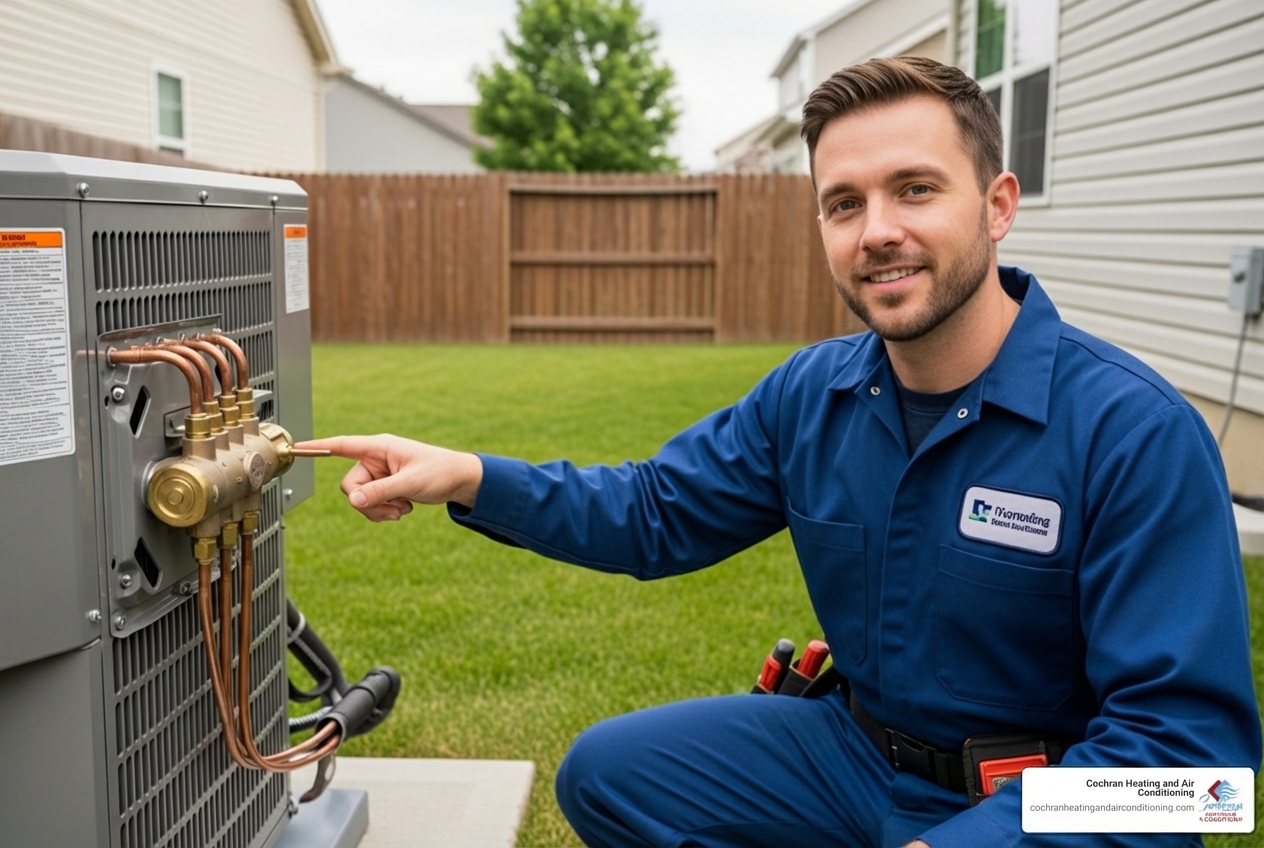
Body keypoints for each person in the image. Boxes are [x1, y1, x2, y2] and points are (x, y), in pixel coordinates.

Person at [298, 57, 1260, 847]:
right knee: (613, 776)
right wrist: (464, 475)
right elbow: (652, 513)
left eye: (915, 190)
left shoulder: (1133, 432)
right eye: (845, 204)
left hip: (1037, 807)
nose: (878, 231)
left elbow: (1192, 774)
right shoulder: (814, 396)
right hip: (854, 759)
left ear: (998, 205)